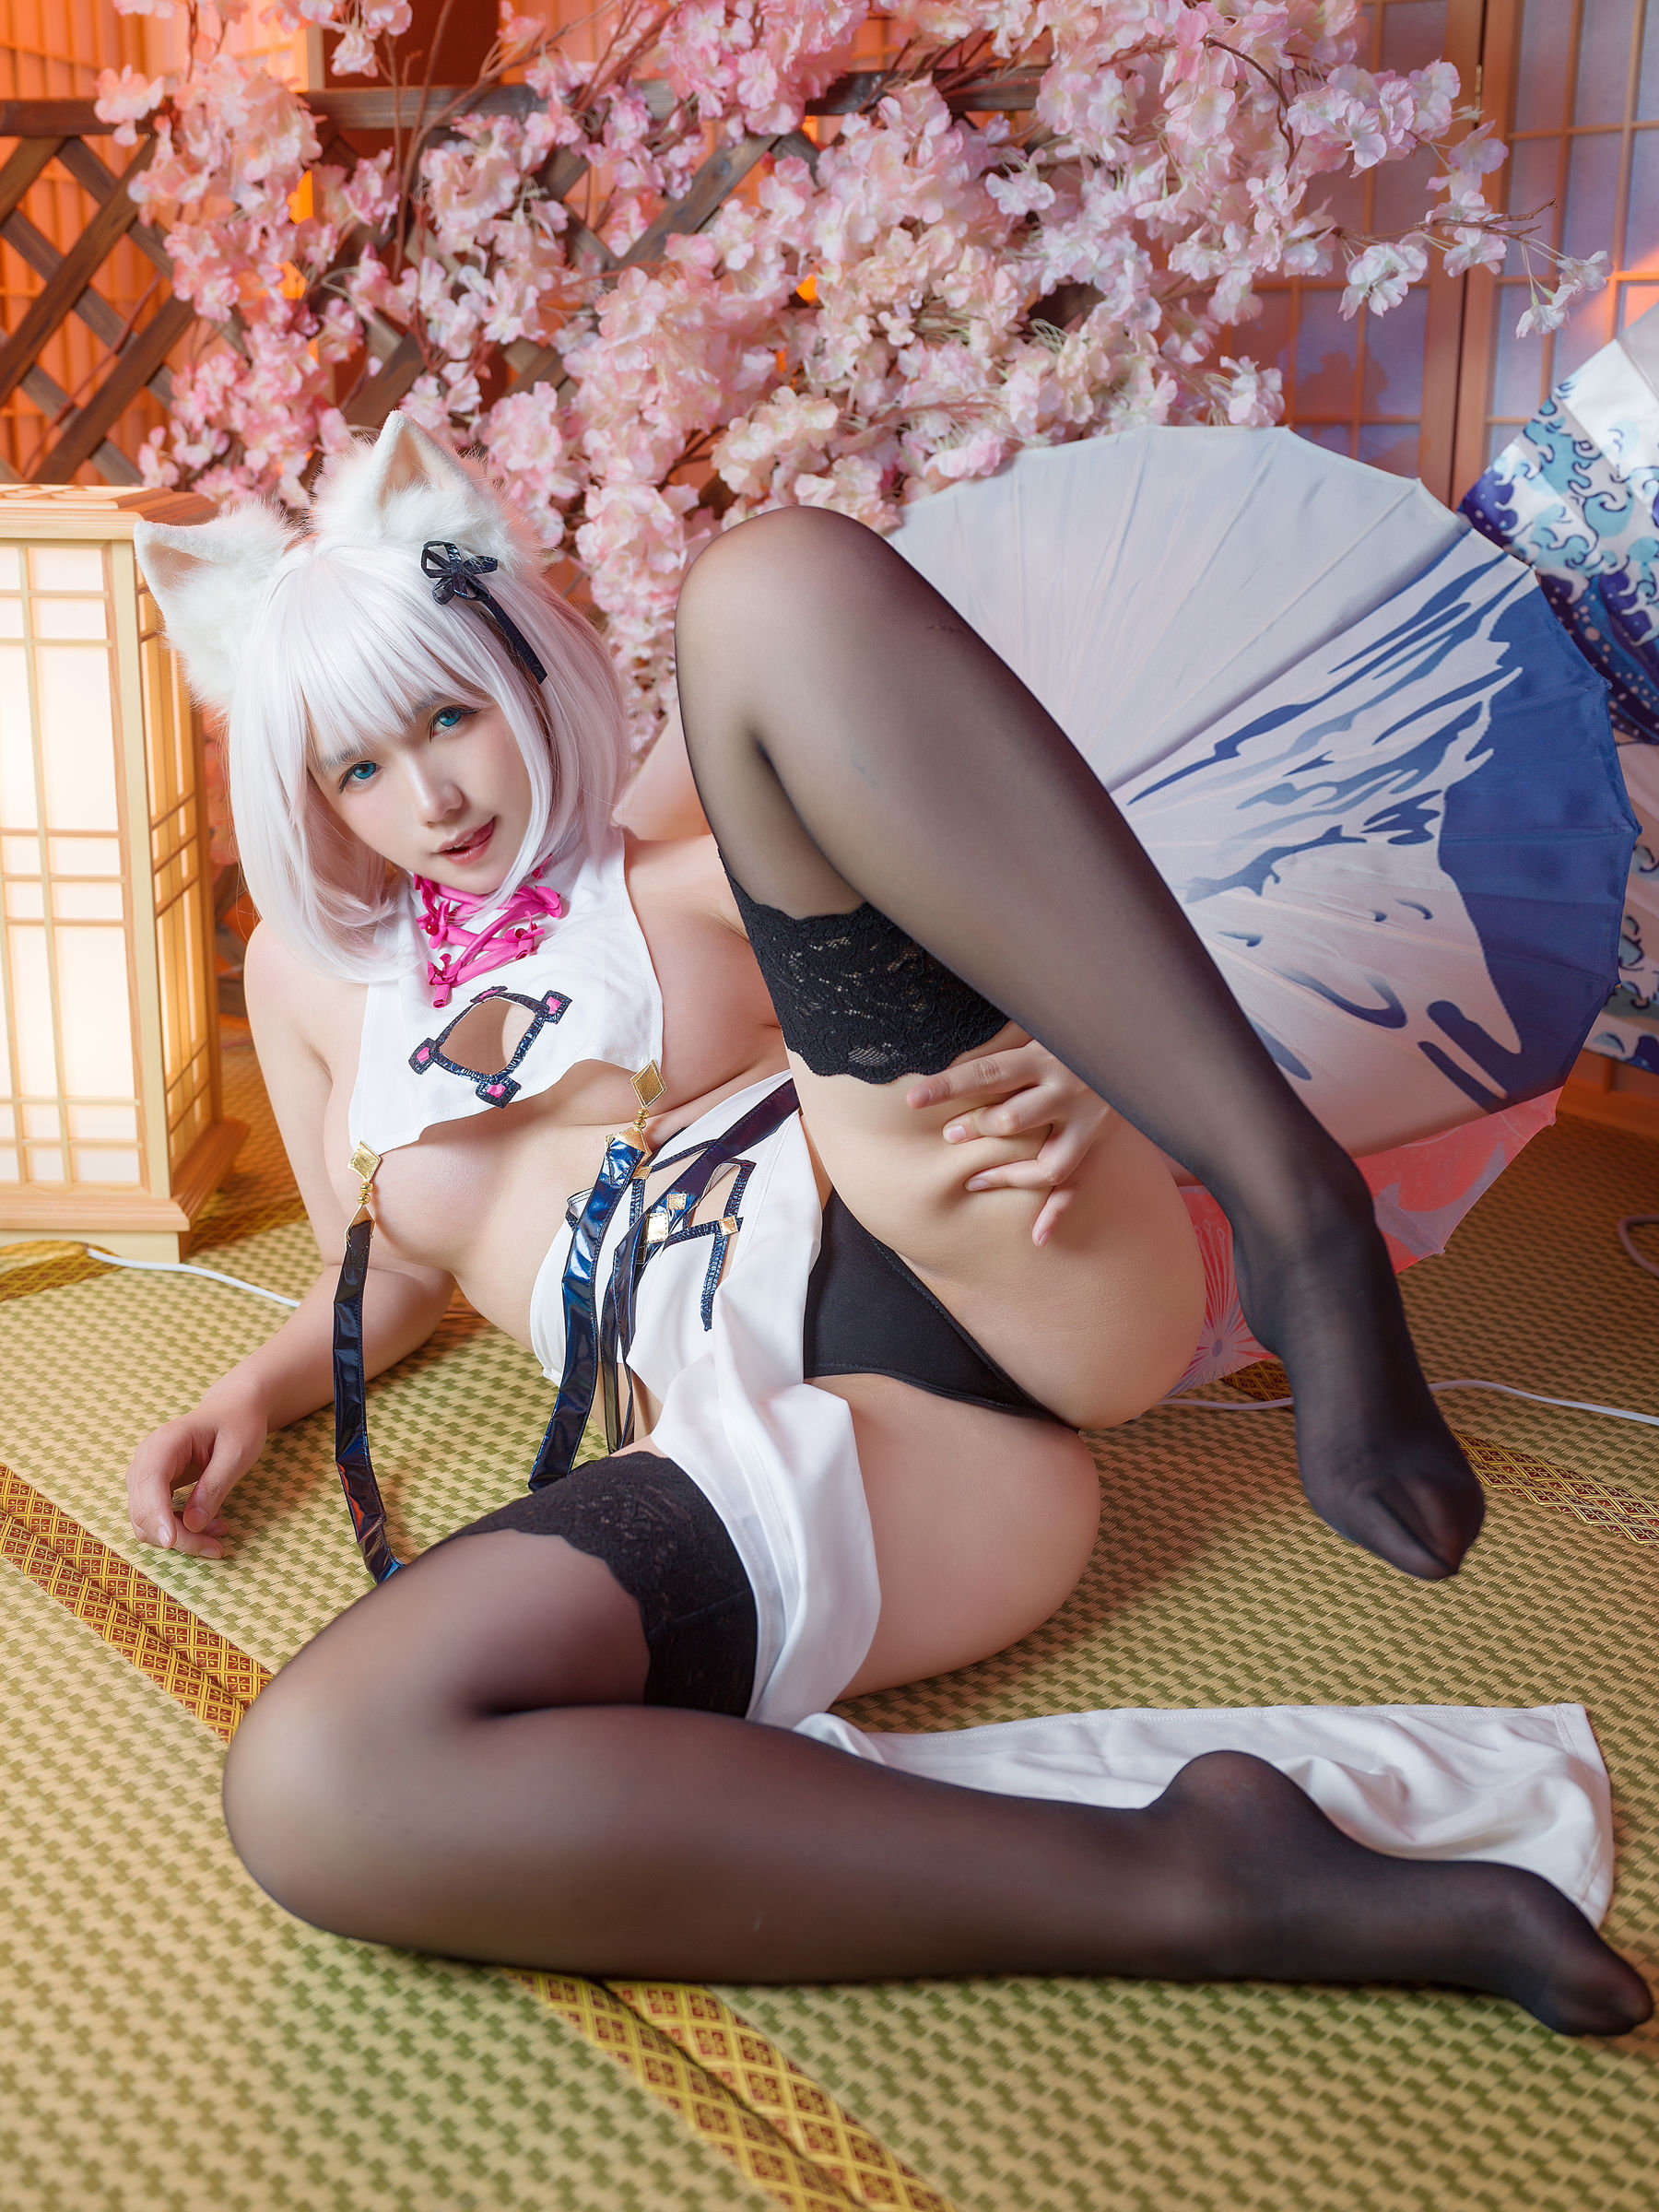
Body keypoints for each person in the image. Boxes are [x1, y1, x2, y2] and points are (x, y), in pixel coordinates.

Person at [126, 415, 1650, 2036]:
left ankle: (1296, 1207)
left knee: (767, 585)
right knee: (322, 1779)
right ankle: (1205, 1875)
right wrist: (255, 1393)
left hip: (948, 1230)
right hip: (851, 1435)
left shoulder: (671, 882)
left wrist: (1093, 1055)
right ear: (308, 798)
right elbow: (376, 1275)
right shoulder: (304, 983)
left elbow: (983, 882)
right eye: (359, 766)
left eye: (453, 715)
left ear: (528, 678)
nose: (431, 794)